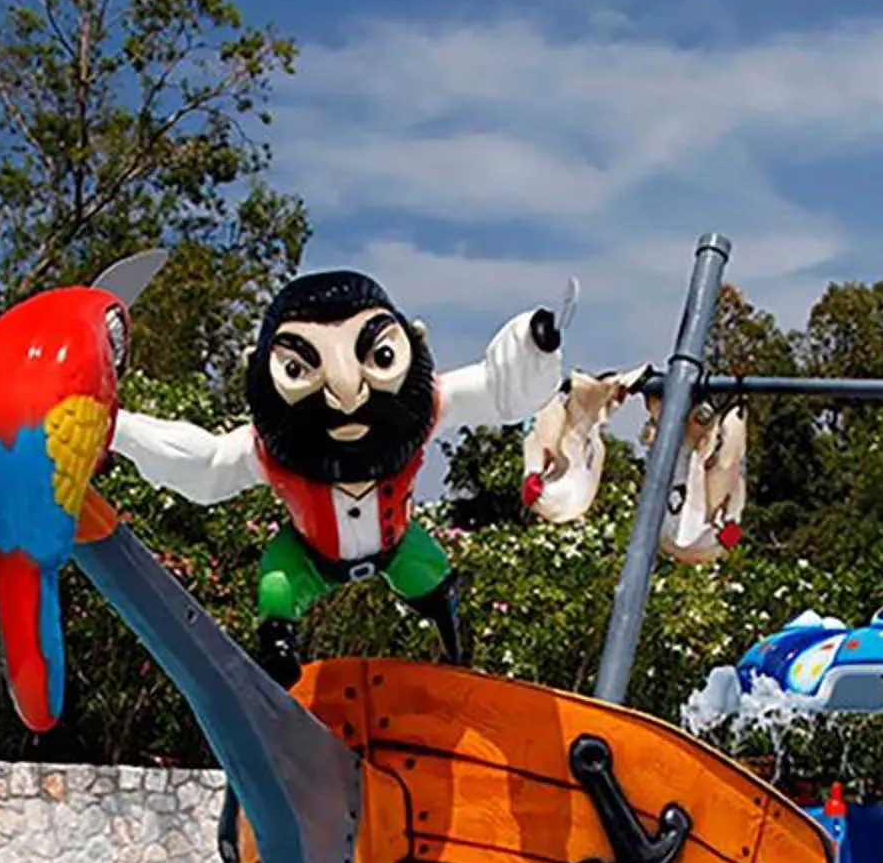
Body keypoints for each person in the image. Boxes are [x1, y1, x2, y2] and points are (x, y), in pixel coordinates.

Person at [111, 269, 567, 681]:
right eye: (296, 368)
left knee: (436, 582)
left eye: (381, 357)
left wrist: (532, 347)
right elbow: (206, 467)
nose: (347, 394)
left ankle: (455, 648)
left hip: (396, 547)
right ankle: (277, 661)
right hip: (310, 556)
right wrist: (118, 427)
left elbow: (496, 389)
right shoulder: (263, 450)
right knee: (277, 586)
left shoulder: (428, 406)